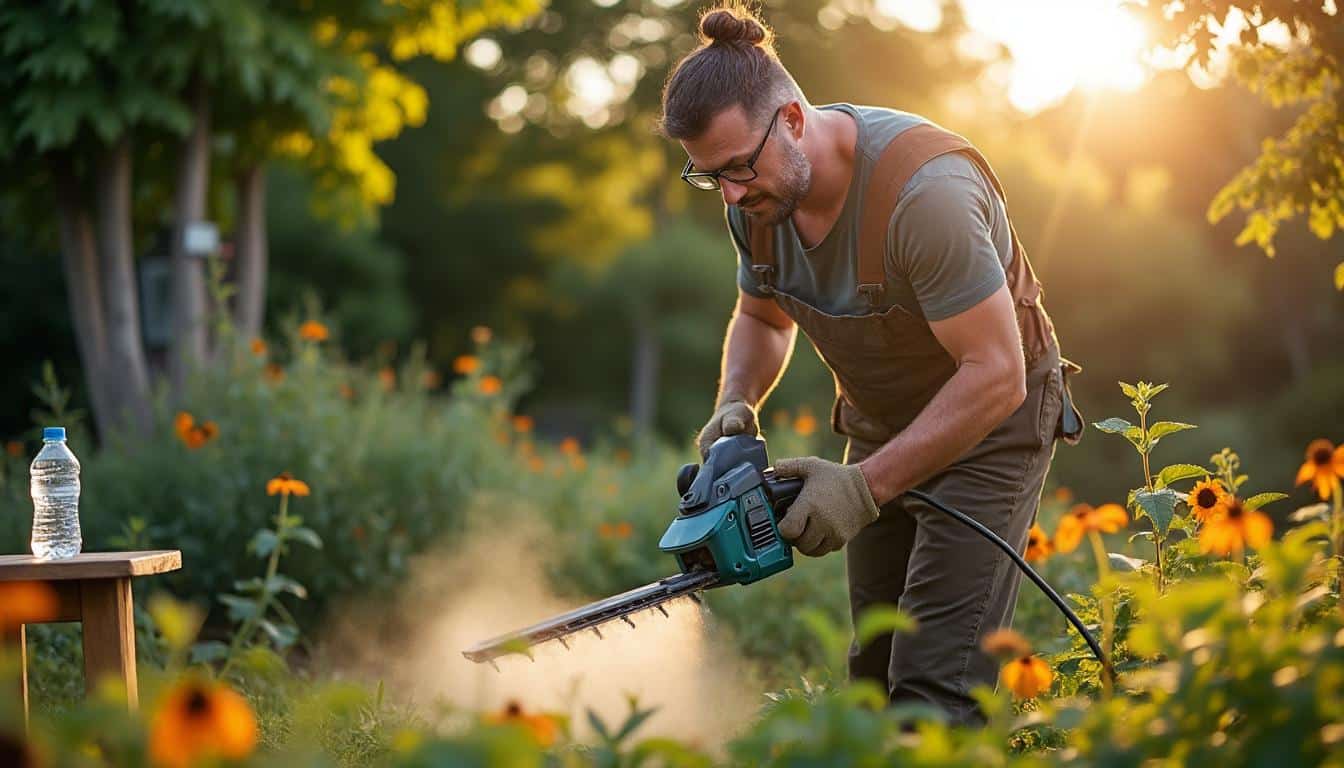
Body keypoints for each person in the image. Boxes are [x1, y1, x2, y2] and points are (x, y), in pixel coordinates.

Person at [657, 5, 1083, 725]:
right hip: (883, 421)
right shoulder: (755, 200)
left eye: (736, 169)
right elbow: (763, 316)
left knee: (934, 684)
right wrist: (736, 400)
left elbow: (995, 374)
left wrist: (861, 488)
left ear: (792, 119)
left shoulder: (926, 197)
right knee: (874, 671)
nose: (729, 195)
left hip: (992, 425)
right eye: (709, 178)